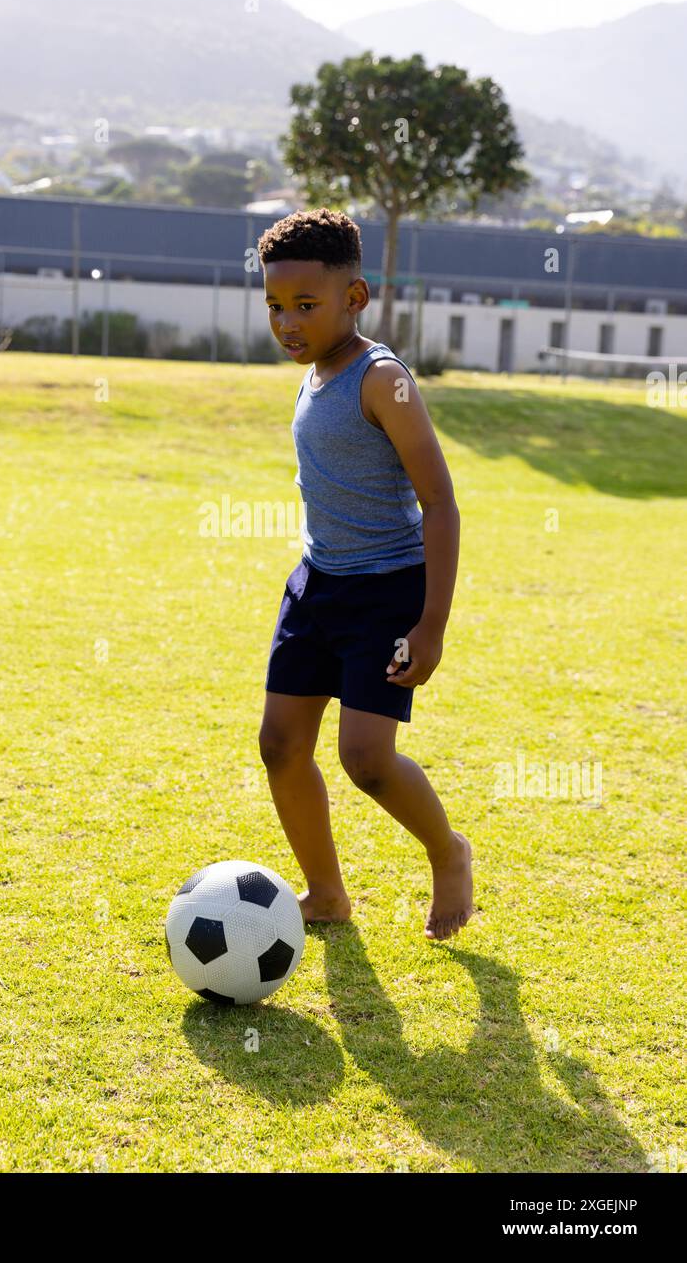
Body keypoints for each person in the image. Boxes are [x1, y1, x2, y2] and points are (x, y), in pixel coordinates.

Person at [258, 207, 474, 940]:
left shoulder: (382, 380)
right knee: (279, 746)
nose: (288, 323)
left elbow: (439, 502)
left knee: (366, 761)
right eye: (275, 308)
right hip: (317, 585)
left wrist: (431, 627)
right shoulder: (314, 370)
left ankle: (447, 854)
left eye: (305, 306)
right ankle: (325, 895)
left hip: (386, 592)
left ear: (356, 297)